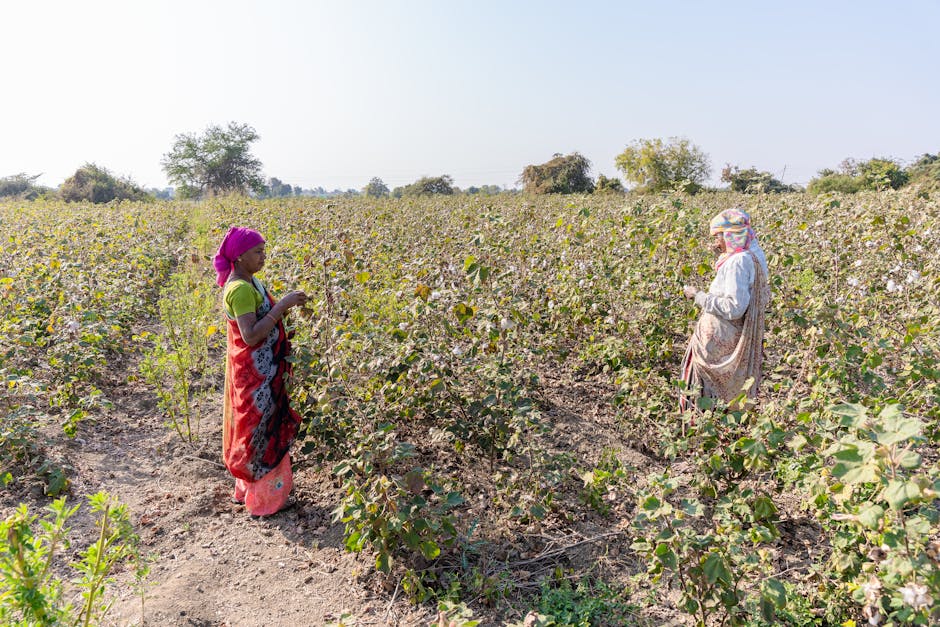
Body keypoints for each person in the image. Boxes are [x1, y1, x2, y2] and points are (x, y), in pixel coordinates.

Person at [213, 227, 308, 516]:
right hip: (256, 377)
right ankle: (265, 501)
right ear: (239, 257)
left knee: (254, 428)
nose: (262, 256)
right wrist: (283, 305)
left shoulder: (250, 282)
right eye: (257, 252)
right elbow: (251, 335)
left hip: (262, 372)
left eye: (264, 250)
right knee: (261, 430)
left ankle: (248, 490)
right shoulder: (240, 289)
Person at [679, 208, 770, 412]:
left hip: (717, 346)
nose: (715, 242)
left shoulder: (738, 263)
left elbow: (734, 307)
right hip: (730, 338)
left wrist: (698, 296)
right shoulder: (754, 256)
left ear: (730, 236)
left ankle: (699, 434)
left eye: (718, 237)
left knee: (703, 393)